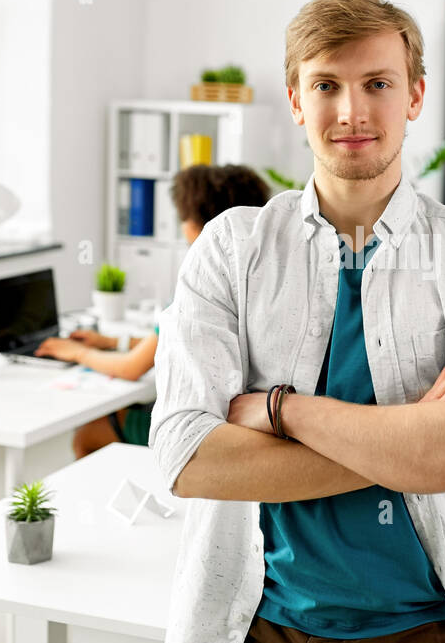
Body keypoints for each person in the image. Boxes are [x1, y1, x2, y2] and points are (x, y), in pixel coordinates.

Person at [151, 0, 445, 643]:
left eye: (377, 82)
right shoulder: (231, 248)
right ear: (295, 99)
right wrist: (410, 436)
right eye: (326, 85)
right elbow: (188, 460)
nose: (351, 111)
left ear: (416, 96)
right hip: (253, 633)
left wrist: (281, 410)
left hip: (415, 634)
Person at [35, 163, 270, 458]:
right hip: (248, 416)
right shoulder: (263, 277)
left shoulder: (202, 285)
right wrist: (111, 343)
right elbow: (183, 341)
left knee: (89, 432)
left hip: (204, 420)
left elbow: (131, 368)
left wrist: (76, 352)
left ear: (199, 226)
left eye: (183, 218)